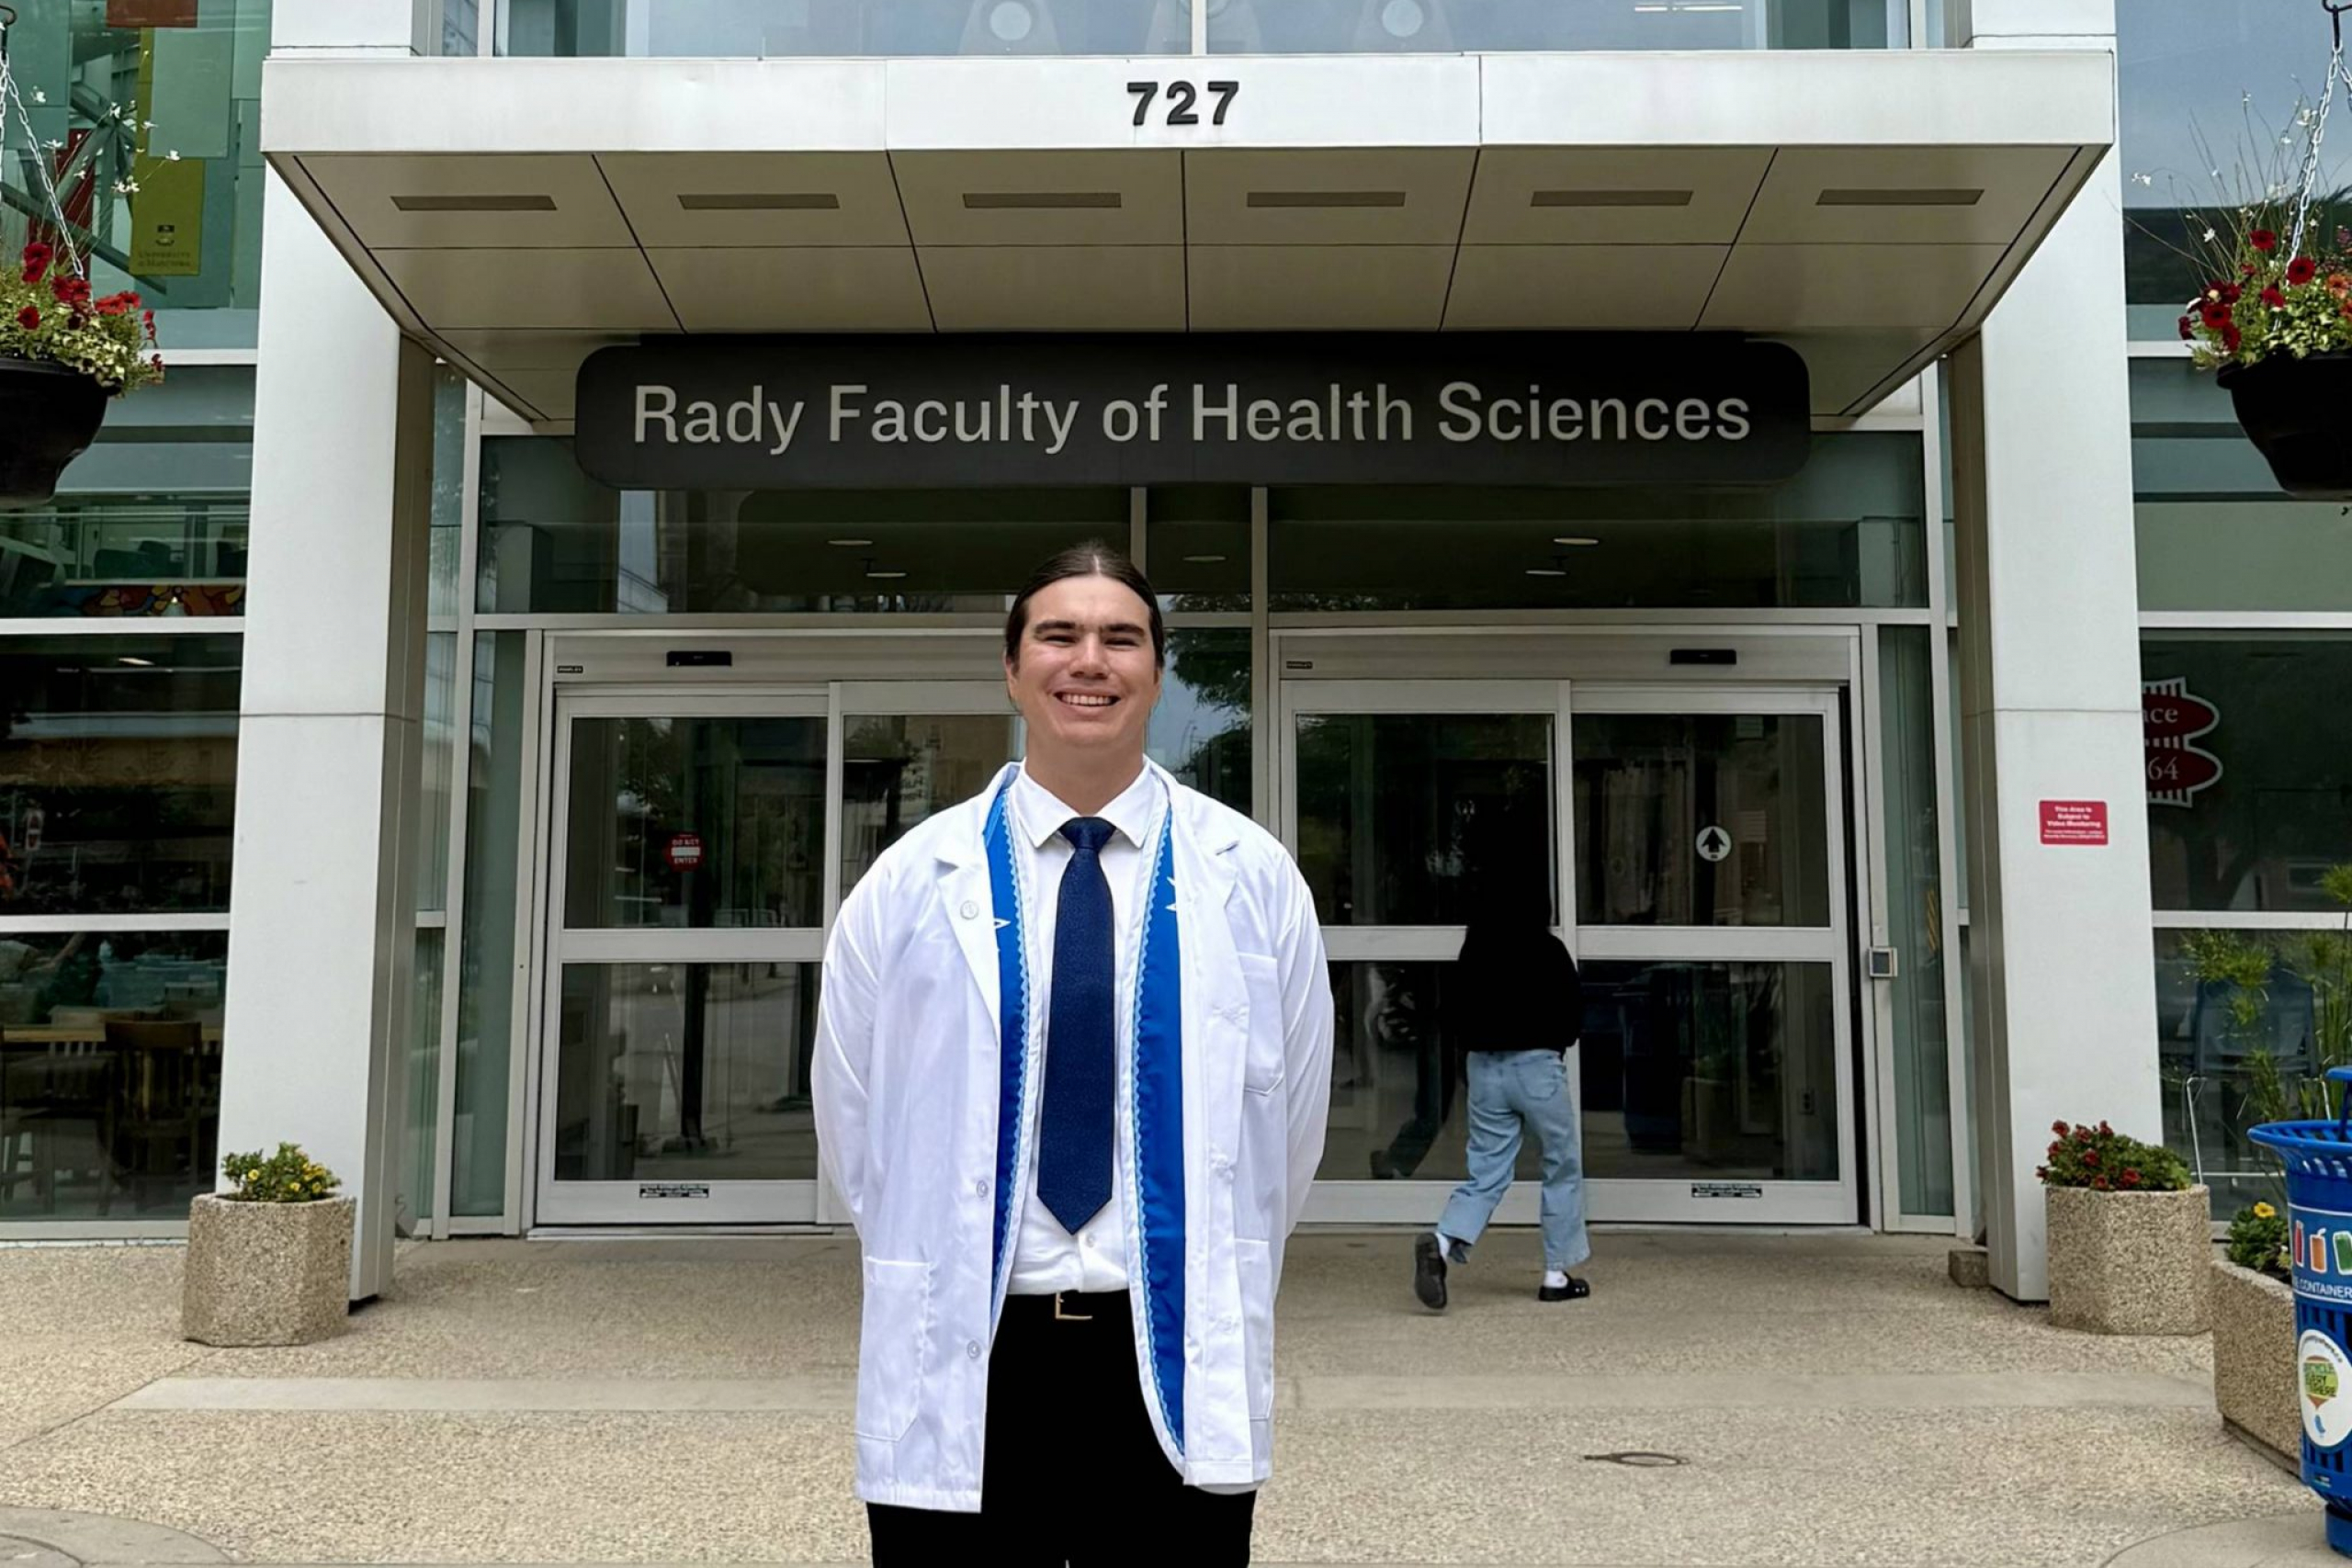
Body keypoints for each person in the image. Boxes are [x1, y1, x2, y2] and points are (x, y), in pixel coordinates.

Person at [814, 542, 1335, 1565]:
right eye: (1058, 634)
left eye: (1120, 638)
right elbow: (856, 1121)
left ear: (1156, 670)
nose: (1087, 659)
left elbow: (1289, 1129)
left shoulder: (1251, 877)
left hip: (1166, 1339)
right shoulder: (912, 879)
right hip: (973, 1343)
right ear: (1011, 670)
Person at [1412, 879, 1590, 1309]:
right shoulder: (1549, 952)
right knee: (1560, 1165)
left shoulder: (1474, 953)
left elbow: (1452, 1013)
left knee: (1487, 1171)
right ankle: (1556, 1273)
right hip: (1537, 1068)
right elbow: (1572, 1016)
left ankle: (1442, 1239)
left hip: (1484, 1069)